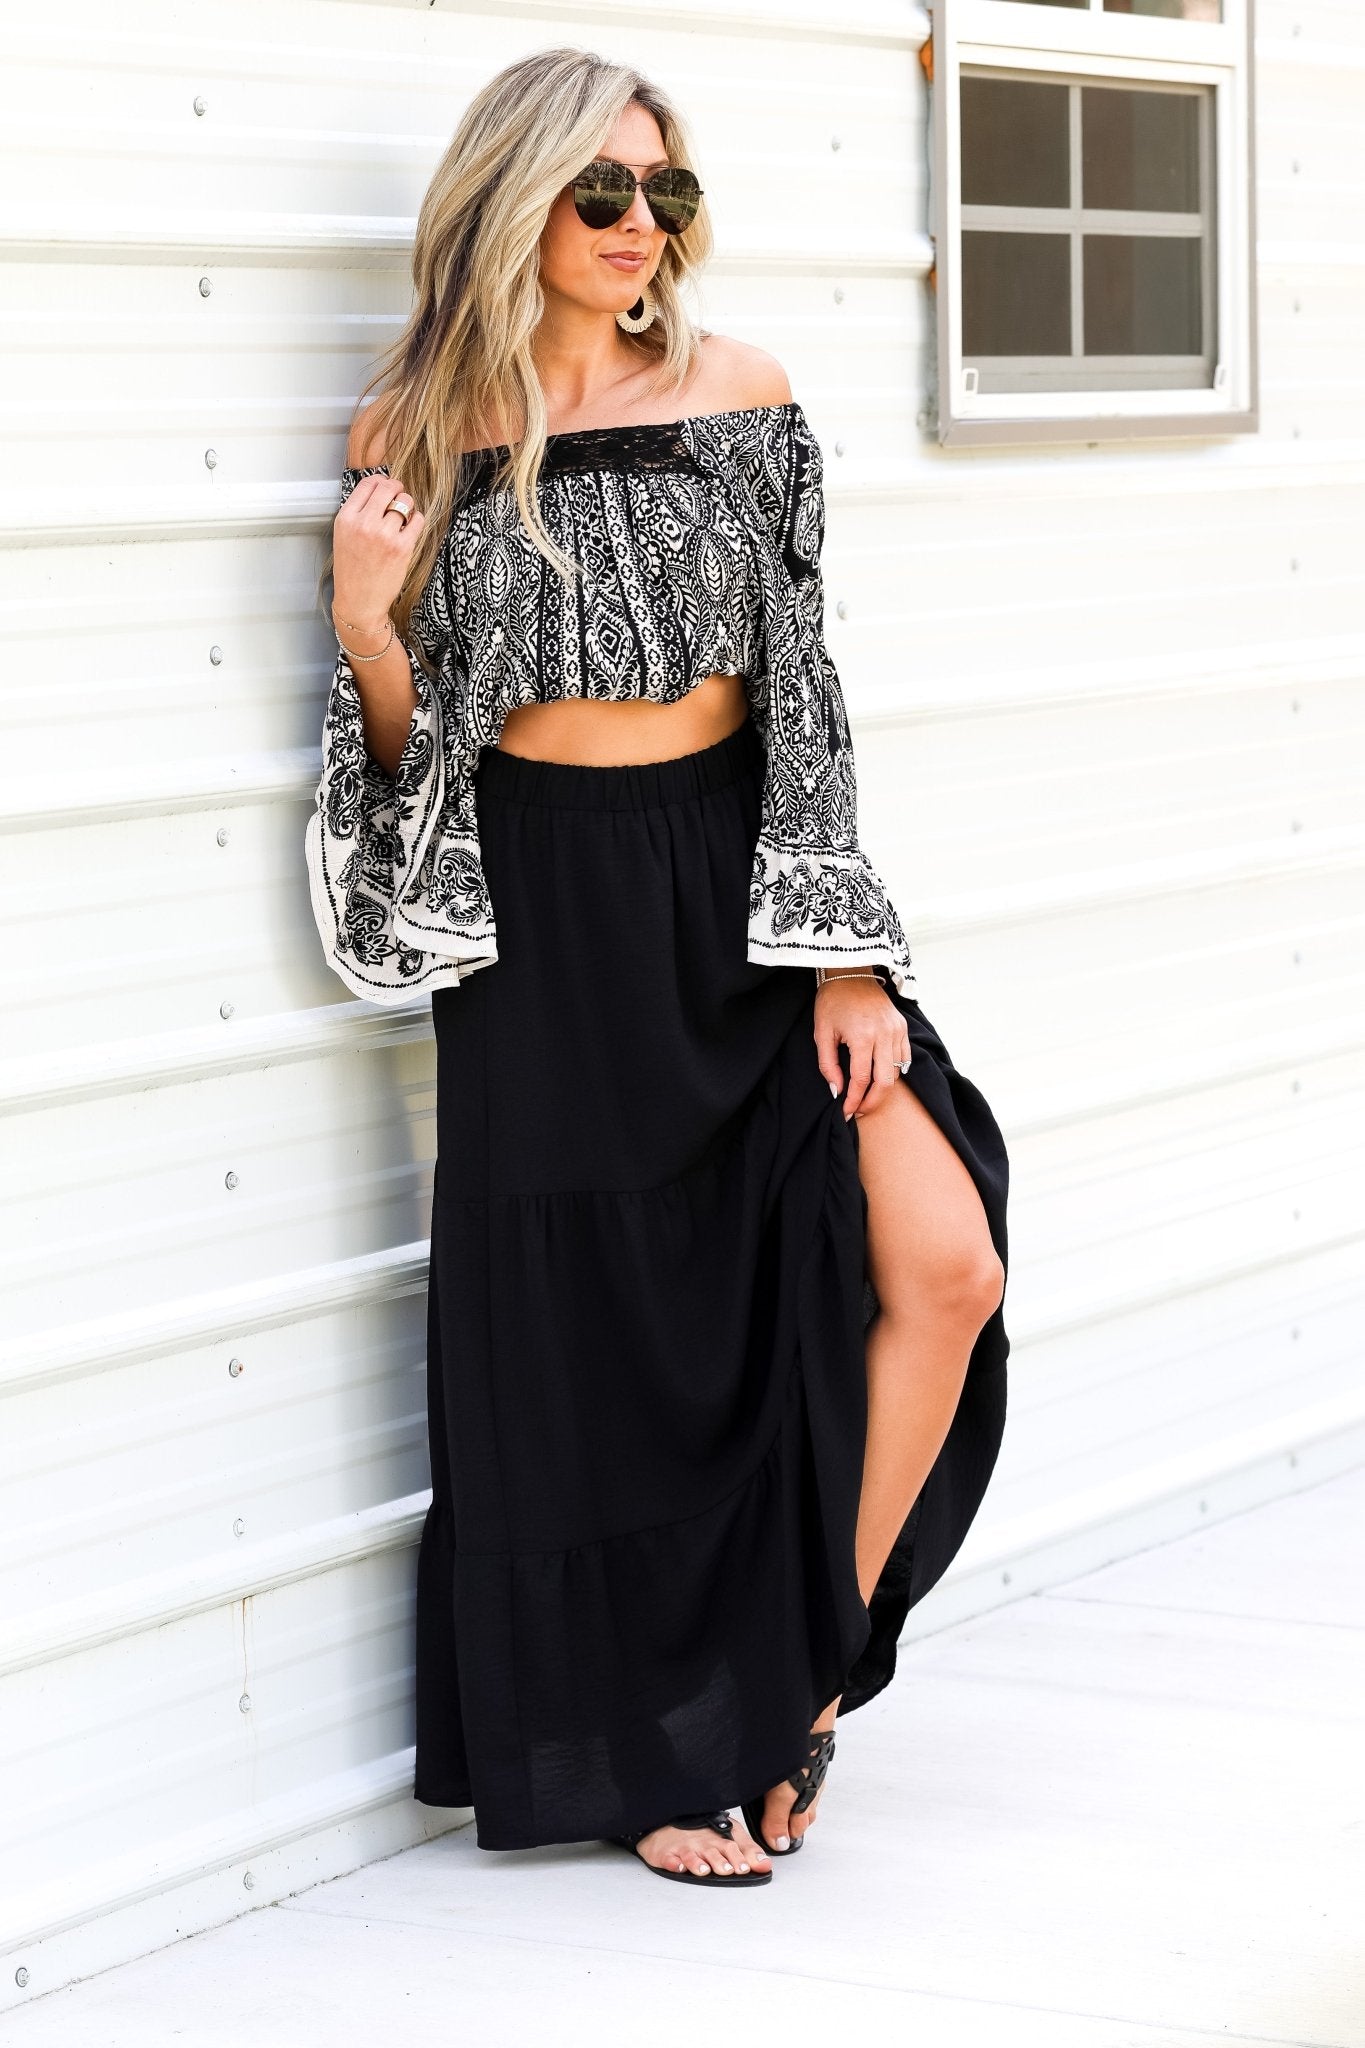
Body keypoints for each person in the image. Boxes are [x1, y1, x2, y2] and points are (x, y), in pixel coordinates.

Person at [306, 45, 1010, 1889]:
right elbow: (409, 765)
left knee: (942, 1261)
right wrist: (369, 627)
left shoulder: (739, 390)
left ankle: (803, 1678)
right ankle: (652, 1754)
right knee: (602, 1347)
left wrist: (843, 963)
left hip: (739, 892)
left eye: (665, 192)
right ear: (514, 199)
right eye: (602, 190)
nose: (640, 224)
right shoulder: (417, 423)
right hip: (546, 919)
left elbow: (804, 682)